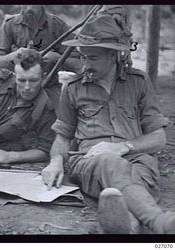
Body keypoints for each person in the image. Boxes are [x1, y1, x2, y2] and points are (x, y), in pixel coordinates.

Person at [41, 14, 174, 234]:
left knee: (128, 184)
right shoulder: (73, 88)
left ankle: (128, 226)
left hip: (137, 161)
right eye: (83, 57)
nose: (85, 65)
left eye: (92, 58)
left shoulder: (138, 82)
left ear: (113, 55)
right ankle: (159, 222)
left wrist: (124, 147)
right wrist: (55, 160)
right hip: (90, 162)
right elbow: (63, 137)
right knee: (109, 162)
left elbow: (158, 138)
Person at [0, 5, 81, 74]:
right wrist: (14, 55)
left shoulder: (57, 25)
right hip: (17, 79)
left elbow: (75, 59)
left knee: (51, 59)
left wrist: (56, 58)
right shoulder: (10, 25)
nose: (29, 8)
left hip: (48, 81)